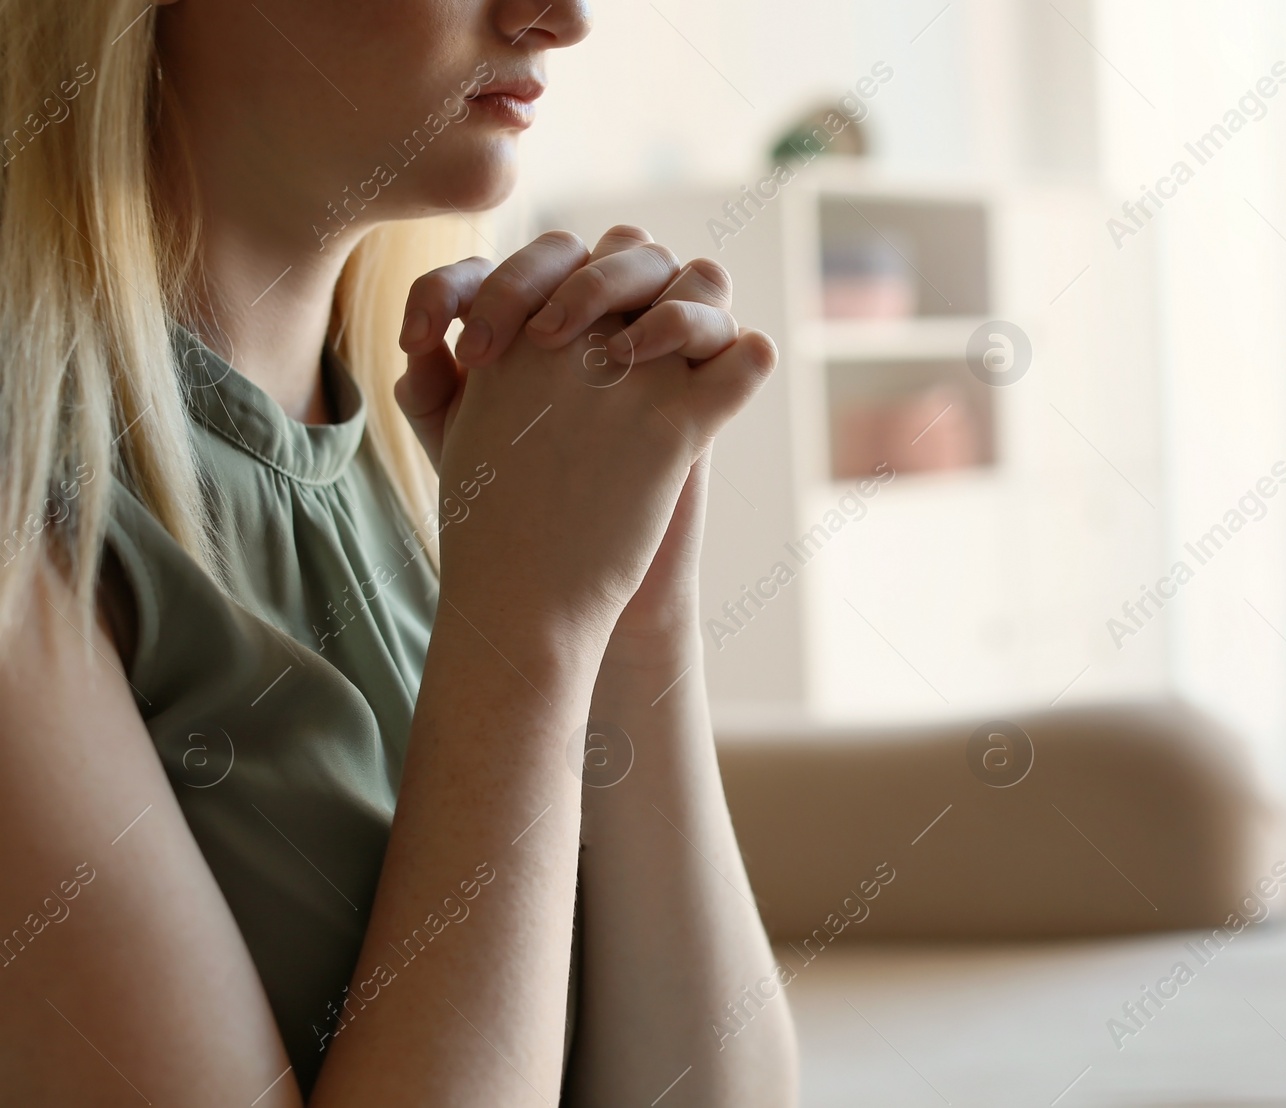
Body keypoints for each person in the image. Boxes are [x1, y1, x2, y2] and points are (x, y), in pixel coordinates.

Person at [0, 1, 799, 1104]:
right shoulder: (27, 490)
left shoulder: (405, 443)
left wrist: (633, 609)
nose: (561, 18)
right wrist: (530, 631)